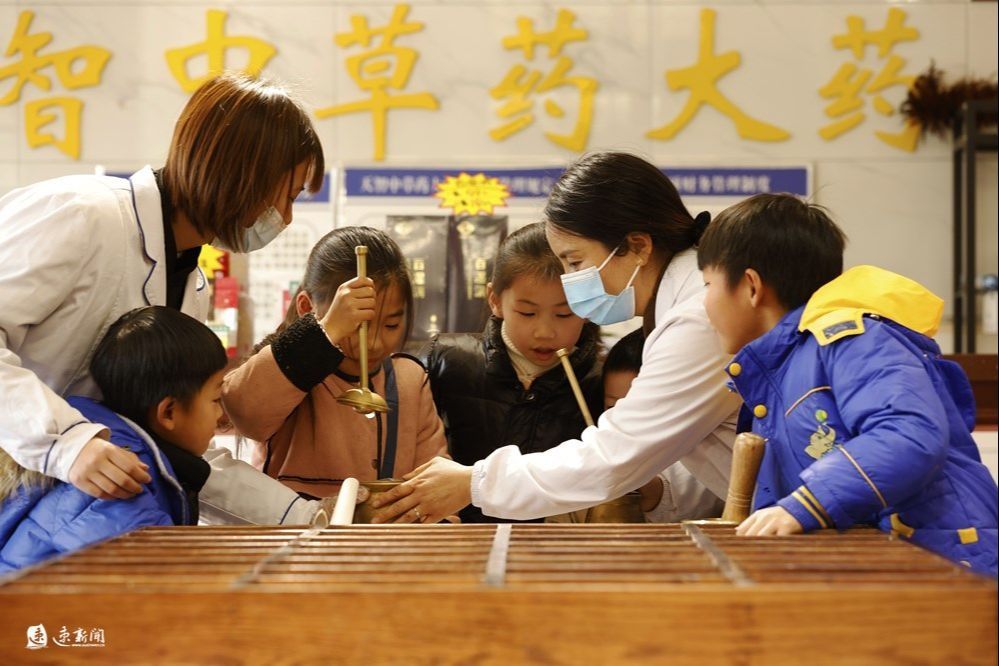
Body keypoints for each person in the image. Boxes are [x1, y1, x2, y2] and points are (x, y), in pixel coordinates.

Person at [0, 72, 334, 526]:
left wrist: (304, 517)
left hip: (77, 524)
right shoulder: (82, 215)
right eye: (286, 198)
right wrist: (65, 443)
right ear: (241, 175)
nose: (287, 219)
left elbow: (176, 450)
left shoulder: (190, 285)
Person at [369, 151, 742, 524]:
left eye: (575, 262)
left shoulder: (697, 318)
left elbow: (613, 455)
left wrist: (475, 482)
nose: (570, 281)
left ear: (638, 246)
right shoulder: (685, 305)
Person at [696, 193, 997, 575]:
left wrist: (807, 505)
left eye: (707, 284)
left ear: (751, 286)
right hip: (899, 565)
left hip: (946, 565)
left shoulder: (851, 339)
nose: (703, 304)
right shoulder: (781, 372)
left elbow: (909, 433)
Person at [222, 226, 448, 499]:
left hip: (386, 538)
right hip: (298, 534)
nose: (374, 343)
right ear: (307, 307)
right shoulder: (290, 367)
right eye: (357, 325)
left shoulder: (409, 379)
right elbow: (245, 413)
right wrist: (325, 330)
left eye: (391, 324)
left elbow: (434, 481)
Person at [0, 307, 226, 571]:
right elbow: (157, 583)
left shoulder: (114, 444)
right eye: (216, 400)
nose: (221, 416)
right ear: (169, 412)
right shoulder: (123, 477)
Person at [420, 223, 603, 523]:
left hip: (558, 555)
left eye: (564, 314)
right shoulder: (445, 360)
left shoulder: (600, 382)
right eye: (527, 313)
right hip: (455, 547)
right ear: (495, 299)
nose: (545, 332)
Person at [601, 329, 724, 522]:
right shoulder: (602, 433)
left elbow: (715, 488)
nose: (625, 420)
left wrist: (655, 491)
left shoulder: (709, 431)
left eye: (641, 408)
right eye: (611, 406)